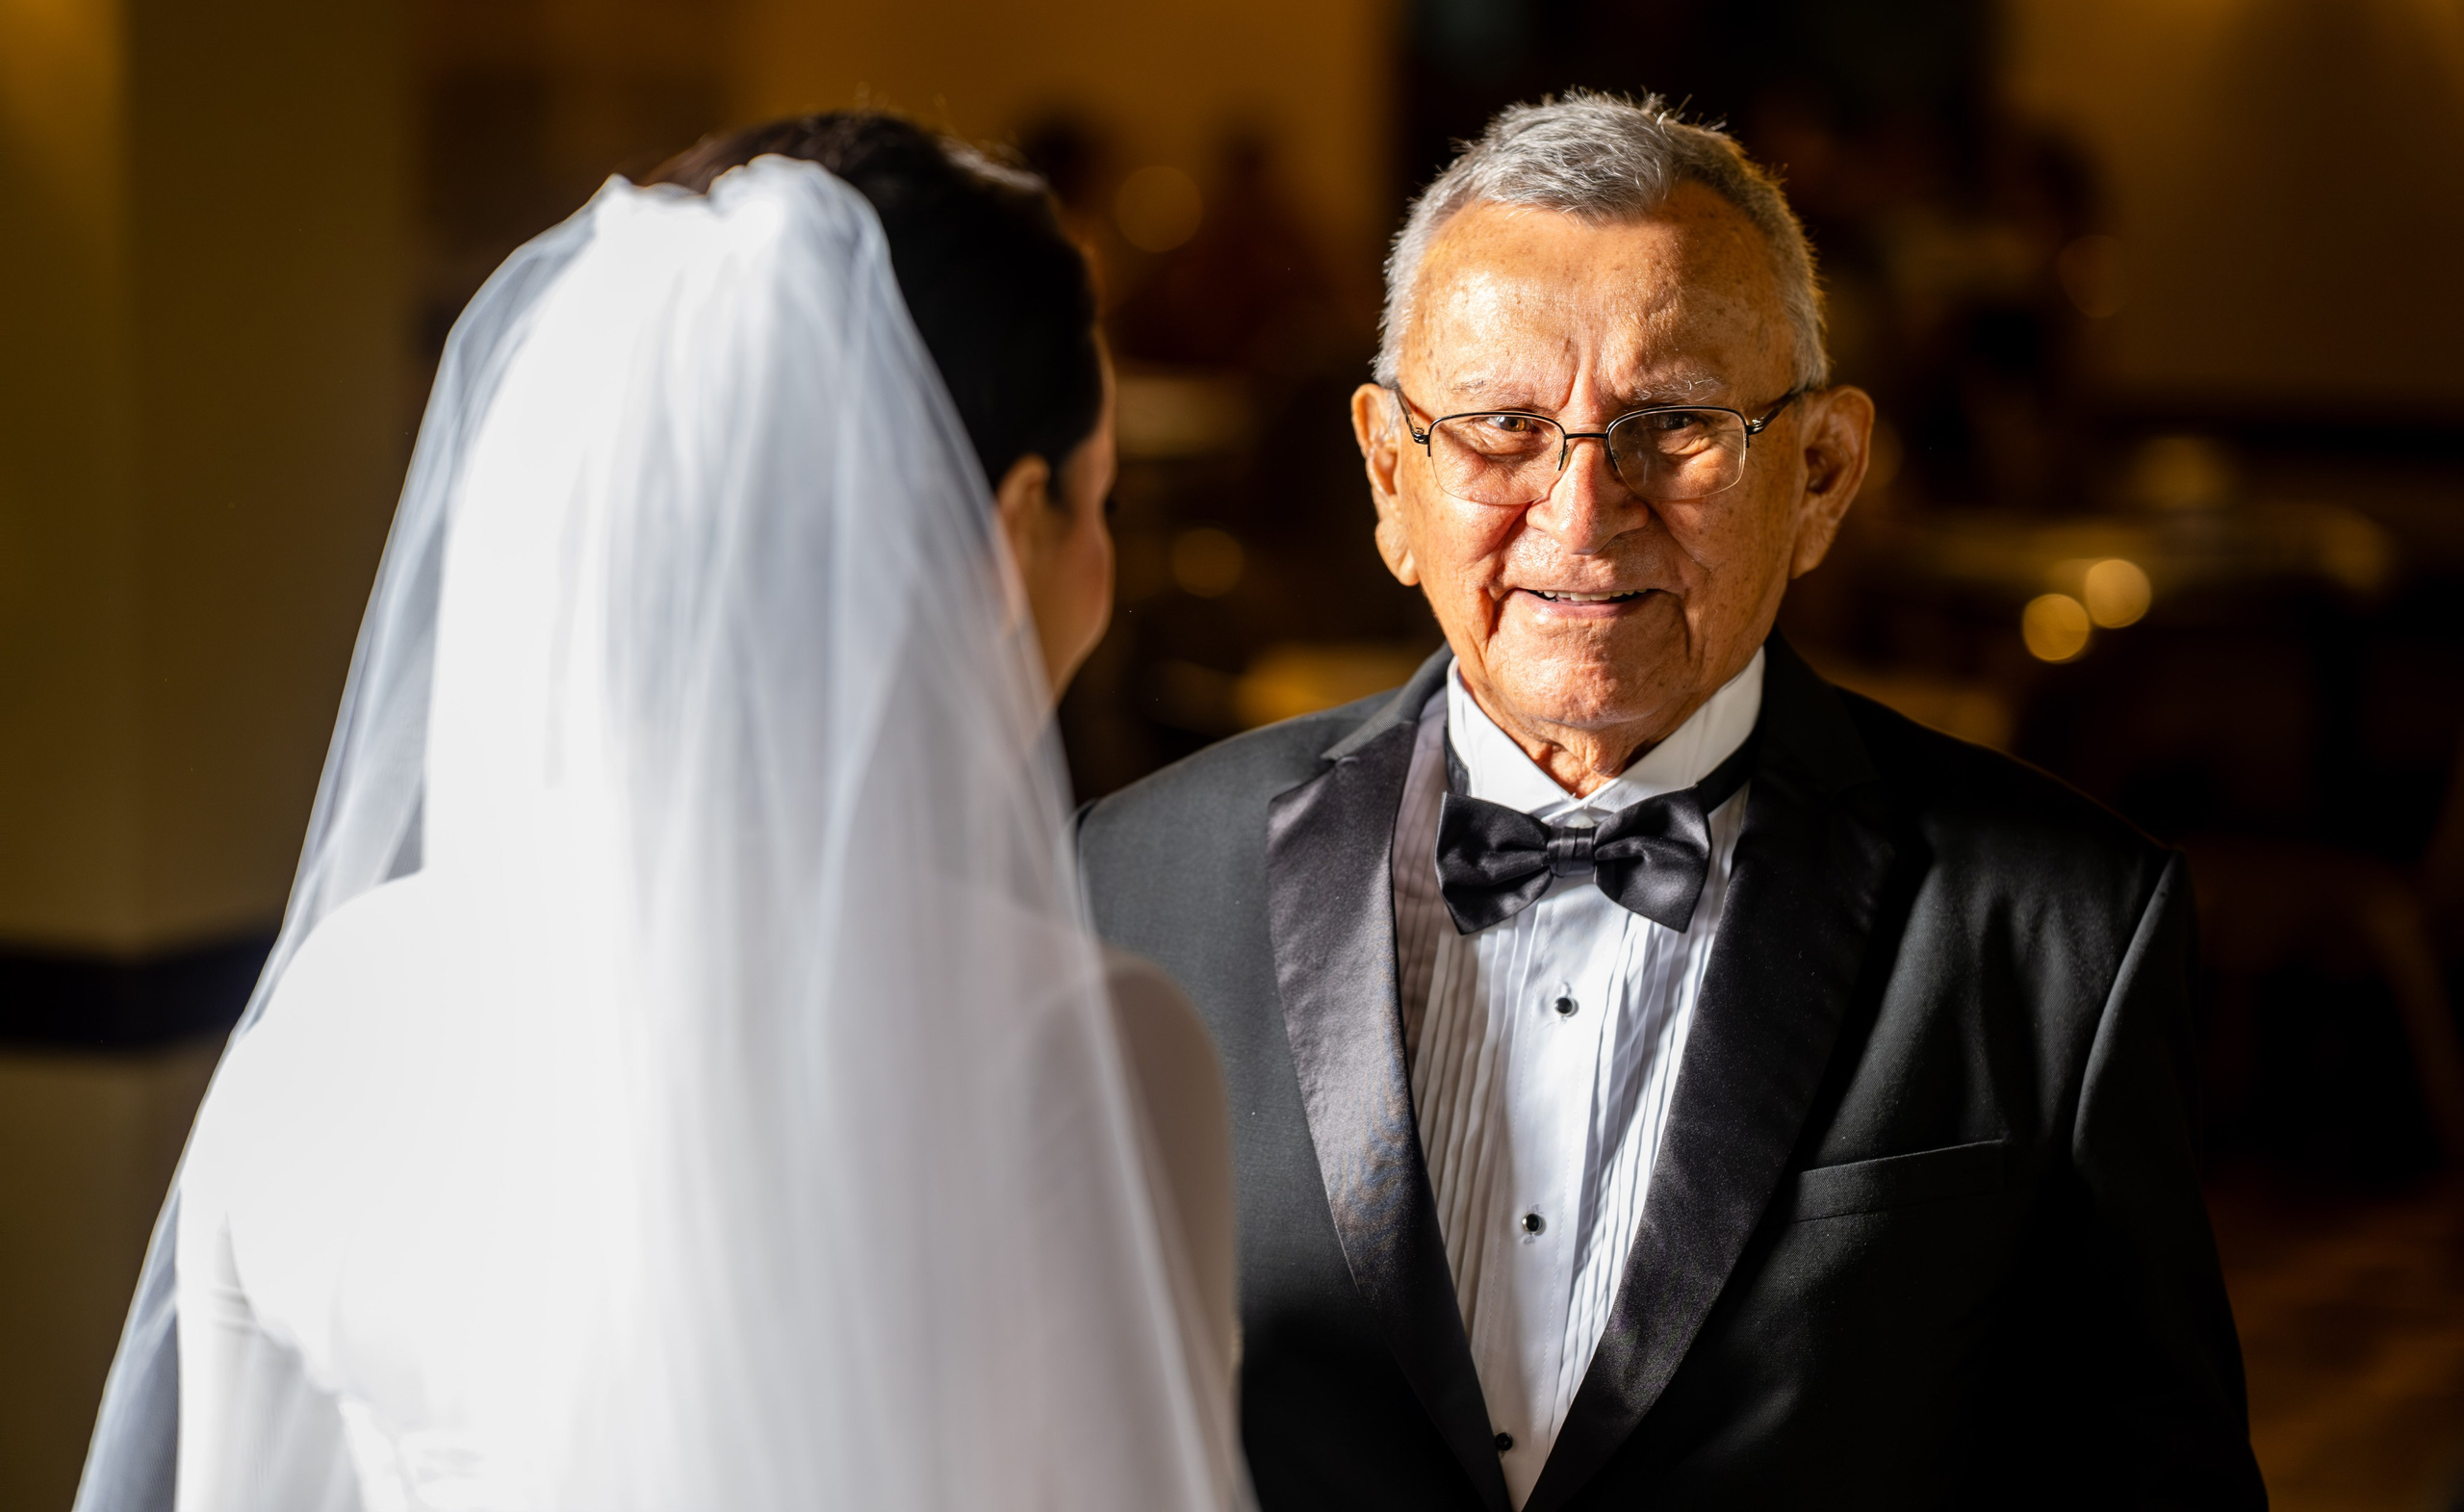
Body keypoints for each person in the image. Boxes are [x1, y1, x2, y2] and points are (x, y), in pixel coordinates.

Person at [1077, 93, 2265, 1508]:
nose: (1583, 512)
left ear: (1821, 475)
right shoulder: (1138, 879)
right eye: (1503, 426)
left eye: (1676, 424)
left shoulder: (2062, 929)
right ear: (1391, 475)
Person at [77, 114, 1243, 1511]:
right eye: (1101, 503)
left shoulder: (330, 1017)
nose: (1107, 571)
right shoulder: (1079, 1046)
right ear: (1005, 535)